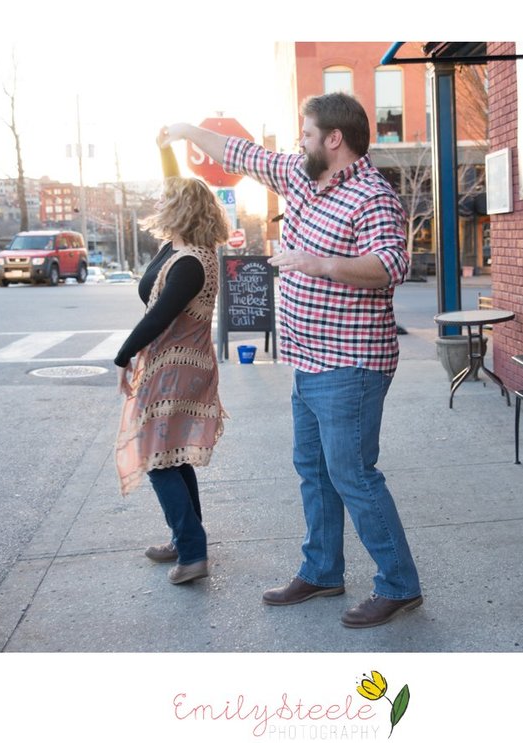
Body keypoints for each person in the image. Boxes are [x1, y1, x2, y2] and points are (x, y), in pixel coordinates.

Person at [159, 92, 422, 627]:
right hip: (308, 359)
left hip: (352, 362)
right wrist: (188, 130)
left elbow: (391, 265)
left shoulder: (373, 195)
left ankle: (399, 584)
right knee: (313, 470)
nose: (298, 142)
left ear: (334, 140)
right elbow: (238, 152)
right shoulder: (301, 175)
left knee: (353, 474)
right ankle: (322, 571)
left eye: (305, 134)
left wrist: (317, 263)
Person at [114, 175, 230, 585]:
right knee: (175, 455)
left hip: (179, 369)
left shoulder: (191, 262)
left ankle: (193, 551)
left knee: (157, 458)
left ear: (181, 208)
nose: (158, 202)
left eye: (166, 199)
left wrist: (123, 354)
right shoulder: (175, 249)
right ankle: (186, 541)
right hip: (172, 364)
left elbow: (159, 316)